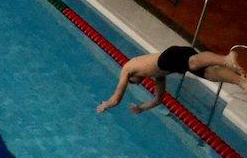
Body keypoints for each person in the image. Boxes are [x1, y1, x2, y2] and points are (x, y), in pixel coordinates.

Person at [97, 46, 247, 114]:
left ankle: (226, 59)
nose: (137, 83)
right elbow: (158, 99)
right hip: (174, 61)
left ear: (130, 78)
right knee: (208, 73)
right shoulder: (158, 75)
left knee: (193, 63)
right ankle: (241, 81)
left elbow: (117, 98)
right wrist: (141, 108)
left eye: (133, 82)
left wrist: (106, 104)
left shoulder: (127, 68)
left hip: (168, 57)